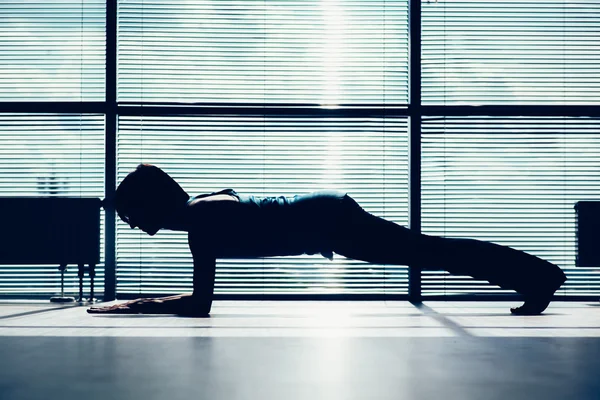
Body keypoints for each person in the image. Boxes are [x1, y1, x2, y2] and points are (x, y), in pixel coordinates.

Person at [88, 164, 567, 317]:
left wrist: (133, 305)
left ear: (150, 205)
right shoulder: (202, 211)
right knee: (431, 251)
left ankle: (540, 276)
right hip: (327, 217)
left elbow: (200, 304)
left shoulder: (201, 222)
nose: (130, 224)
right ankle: (536, 277)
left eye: (131, 213)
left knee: (431, 252)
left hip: (330, 221)